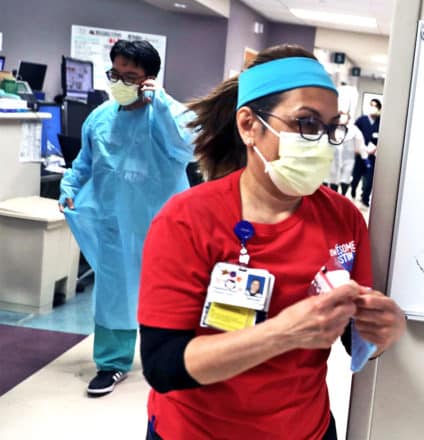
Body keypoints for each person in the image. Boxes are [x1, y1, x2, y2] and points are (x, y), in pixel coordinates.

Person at [138, 44, 406, 440]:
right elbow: (163, 365)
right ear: (249, 126)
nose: (320, 142)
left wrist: (384, 331)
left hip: (305, 429)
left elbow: (357, 342)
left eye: (330, 127)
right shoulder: (188, 219)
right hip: (196, 431)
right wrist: (282, 334)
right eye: (306, 123)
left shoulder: (343, 219)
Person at [58, 39, 194, 397]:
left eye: (129, 76)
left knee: (168, 294)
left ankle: (173, 361)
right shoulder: (99, 118)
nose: (119, 82)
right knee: (115, 292)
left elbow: (188, 147)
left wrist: (161, 104)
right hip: (115, 222)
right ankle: (112, 363)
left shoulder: (167, 114)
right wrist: (69, 187)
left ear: (149, 79)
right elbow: (84, 163)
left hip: (162, 223)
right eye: (114, 74)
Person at [324, 111, 364, 196]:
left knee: (345, 178)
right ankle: (333, 196)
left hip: (348, 159)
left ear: (349, 119)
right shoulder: (331, 128)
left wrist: (362, 154)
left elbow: (360, 143)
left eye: (345, 117)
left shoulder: (354, 130)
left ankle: (343, 195)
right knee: (332, 179)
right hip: (333, 158)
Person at [352, 98, 381, 207]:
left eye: (376, 106)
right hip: (360, 154)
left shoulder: (381, 122)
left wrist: (376, 148)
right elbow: (353, 134)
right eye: (371, 105)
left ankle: (365, 198)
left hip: (372, 155)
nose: (373, 108)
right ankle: (353, 187)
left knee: (369, 179)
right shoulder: (361, 120)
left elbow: (383, 138)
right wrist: (356, 149)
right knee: (356, 176)